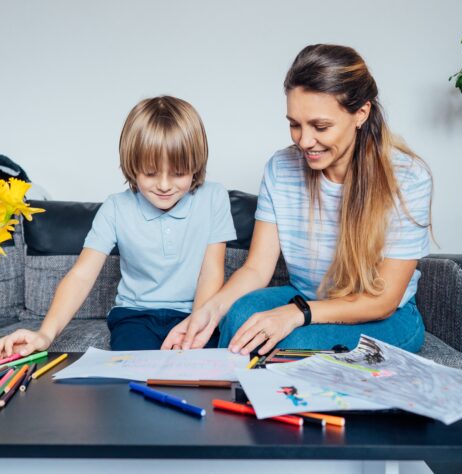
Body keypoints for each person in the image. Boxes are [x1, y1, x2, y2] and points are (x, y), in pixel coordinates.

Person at [162, 44, 432, 356]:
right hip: (304, 297)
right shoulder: (281, 168)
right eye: (294, 124)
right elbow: (256, 270)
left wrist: (297, 314)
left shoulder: (407, 178)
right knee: (237, 315)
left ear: (361, 113)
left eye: (320, 126)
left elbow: (383, 302)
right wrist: (208, 312)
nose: (304, 141)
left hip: (385, 316)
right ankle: (222, 399)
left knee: (289, 344)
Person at [0, 96, 236, 357]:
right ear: (132, 166)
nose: (164, 185)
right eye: (151, 173)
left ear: (195, 165)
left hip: (196, 313)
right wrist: (45, 333)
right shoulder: (115, 208)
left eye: (178, 173)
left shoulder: (214, 197)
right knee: (135, 372)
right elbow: (81, 276)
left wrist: (193, 328)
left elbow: (211, 272)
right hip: (135, 315)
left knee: (202, 366)